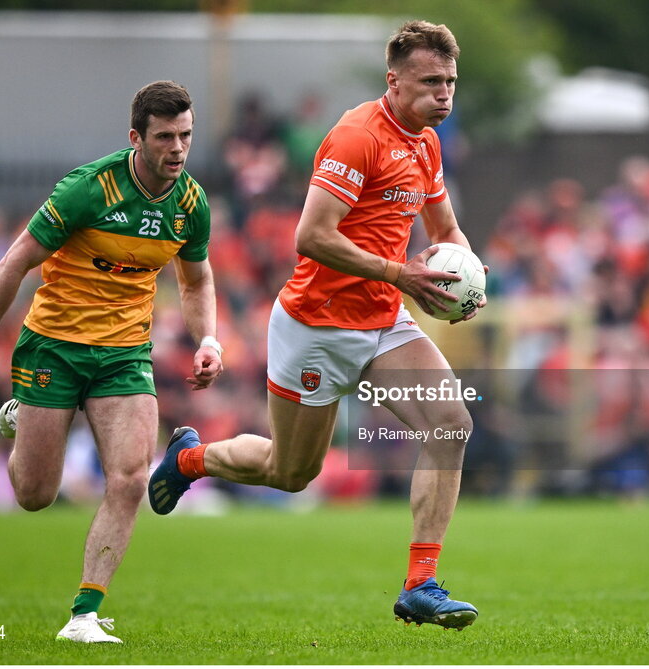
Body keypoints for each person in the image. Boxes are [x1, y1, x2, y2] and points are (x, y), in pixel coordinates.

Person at [148, 20, 482, 630]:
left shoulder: (427, 145)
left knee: (451, 422)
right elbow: (311, 236)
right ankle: (191, 459)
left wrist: (468, 278)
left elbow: (445, 233)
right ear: (394, 80)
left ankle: (421, 584)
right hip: (316, 326)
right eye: (431, 81)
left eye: (451, 81)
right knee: (291, 472)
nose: (444, 93)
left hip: (383, 318)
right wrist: (400, 273)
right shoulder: (358, 137)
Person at [0, 80, 222, 644]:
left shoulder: (191, 204)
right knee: (35, 495)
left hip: (125, 354)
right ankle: (23, 418)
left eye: (186, 136)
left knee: (129, 477)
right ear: (136, 138)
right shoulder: (88, 189)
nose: (177, 149)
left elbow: (196, 280)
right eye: (165, 137)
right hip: (55, 345)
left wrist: (209, 339)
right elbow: (13, 262)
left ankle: (84, 615)